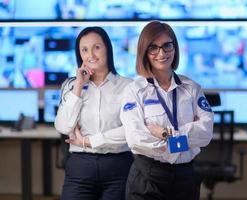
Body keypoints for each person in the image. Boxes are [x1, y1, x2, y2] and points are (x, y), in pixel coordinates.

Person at [120, 21, 214, 200]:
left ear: (175, 48)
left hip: (185, 177)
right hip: (148, 177)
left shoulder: (192, 89)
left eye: (167, 46)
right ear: (144, 52)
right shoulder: (134, 91)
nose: (161, 53)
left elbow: (205, 134)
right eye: (153, 48)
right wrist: (185, 137)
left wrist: (163, 134)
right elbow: (136, 139)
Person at [55, 26, 133, 200]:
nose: (91, 55)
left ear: (107, 49)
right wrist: (78, 87)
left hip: (118, 165)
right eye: (84, 50)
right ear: (79, 55)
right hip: (80, 166)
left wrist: (88, 141)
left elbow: (130, 130)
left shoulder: (129, 86)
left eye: (96, 47)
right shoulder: (70, 86)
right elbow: (63, 126)